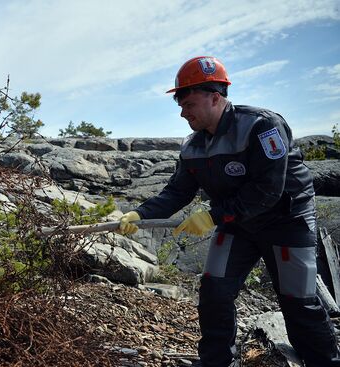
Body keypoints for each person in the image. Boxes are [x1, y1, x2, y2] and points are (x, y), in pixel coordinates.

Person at [118, 56, 340, 367]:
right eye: (180, 104)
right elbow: (177, 191)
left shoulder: (262, 126)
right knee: (214, 293)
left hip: (286, 220)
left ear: (215, 97)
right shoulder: (193, 146)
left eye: (189, 103)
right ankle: (215, 361)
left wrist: (212, 216)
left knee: (299, 303)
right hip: (237, 224)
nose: (183, 112)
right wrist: (140, 214)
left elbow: (268, 190)